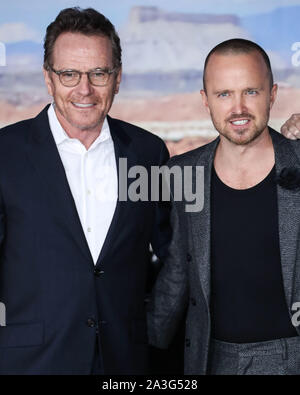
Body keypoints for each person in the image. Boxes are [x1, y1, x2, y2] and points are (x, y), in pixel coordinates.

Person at [0, 7, 171, 375]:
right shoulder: (5, 153)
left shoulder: (148, 152)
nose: (84, 89)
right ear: (48, 79)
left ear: (117, 77)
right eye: (69, 74)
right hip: (30, 363)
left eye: (98, 73)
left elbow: (173, 256)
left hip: (127, 363)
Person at [147, 38, 300, 375]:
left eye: (251, 92)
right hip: (209, 358)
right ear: (206, 100)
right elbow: (177, 269)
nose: (239, 108)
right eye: (224, 94)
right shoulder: (181, 174)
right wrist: (142, 346)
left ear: (272, 94)